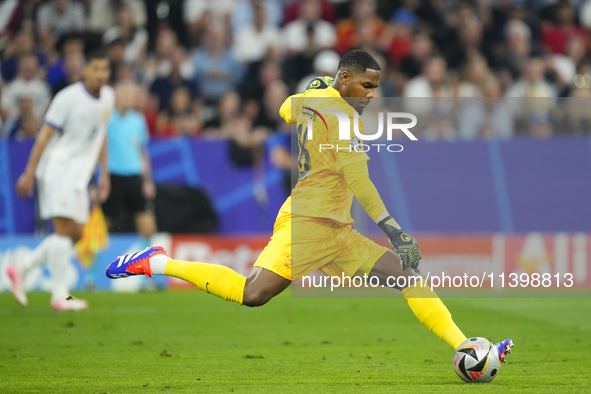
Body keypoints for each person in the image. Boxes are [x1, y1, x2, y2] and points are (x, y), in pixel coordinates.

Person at [106, 50, 514, 361]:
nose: (372, 96)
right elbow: (362, 183)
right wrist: (396, 230)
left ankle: (466, 347)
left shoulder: (314, 101)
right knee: (254, 294)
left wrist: (317, 89)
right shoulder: (342, 123)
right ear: (345, 78)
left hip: (336, 228)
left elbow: (286, 107)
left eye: (375, 87)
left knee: (406, 275)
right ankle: (156, 262)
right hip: (307, 222)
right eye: (365, 86)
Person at [7, 50, 114, 310]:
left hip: (79, 177)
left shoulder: (108, 97)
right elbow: (44, 136)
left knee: (76, 234)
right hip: (58, 170)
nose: (101, 75)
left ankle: (21, 267)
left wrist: (104, 173)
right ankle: (59, 295)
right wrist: (29, 172)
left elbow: (99, 136)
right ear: (84, 70)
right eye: (96, 68)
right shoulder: (67, 98)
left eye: (105, 69)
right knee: (64, 231)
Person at [102, 81, 157, 241]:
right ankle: (93, 263)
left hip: (134, 177)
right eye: (122, 95)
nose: (125, 99)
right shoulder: (106, 119)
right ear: (115, 98)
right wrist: (99, 179)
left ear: (134, 100)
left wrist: (147, 181)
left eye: (129, 96)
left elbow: (142, 152)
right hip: (113, 177)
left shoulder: (138, 121)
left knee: (148, 227)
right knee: (103, 225)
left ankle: (148, 263)